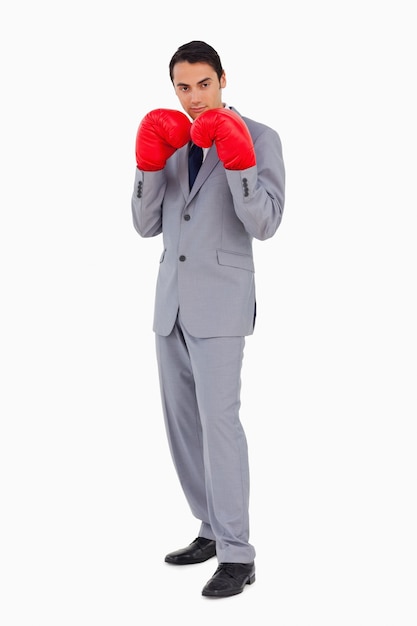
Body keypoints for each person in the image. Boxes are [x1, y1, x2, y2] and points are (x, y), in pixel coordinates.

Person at [131, 40, 285, 598]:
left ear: (223, 79)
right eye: (182, 86)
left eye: (203, 84)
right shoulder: (172, 137)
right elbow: (145, 225)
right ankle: (210, 529)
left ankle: (239, 554)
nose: (194, 98)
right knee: (182, 428)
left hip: (220, 303)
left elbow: (265, 222)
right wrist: (149, 164)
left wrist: (241, 161)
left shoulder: (262, 137)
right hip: (169, 301)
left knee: (219, 425)